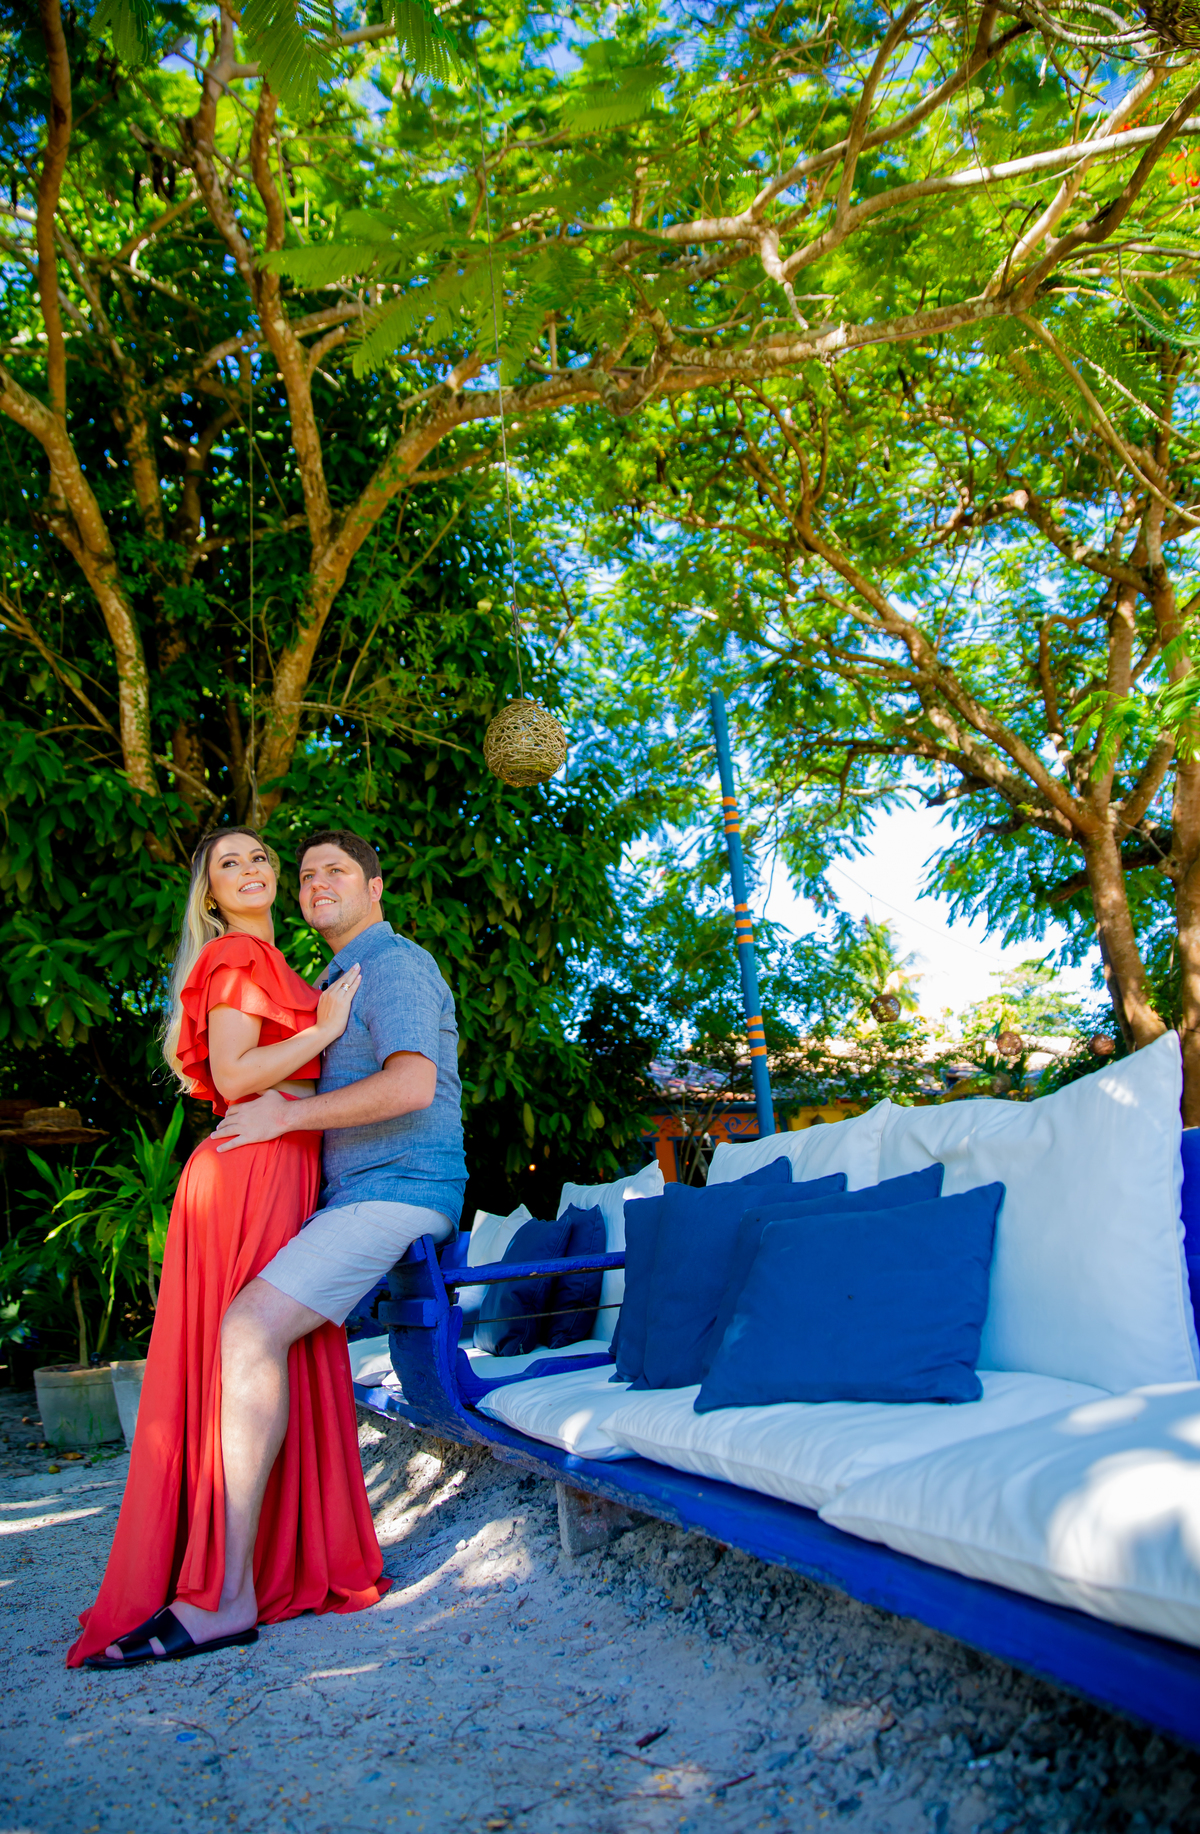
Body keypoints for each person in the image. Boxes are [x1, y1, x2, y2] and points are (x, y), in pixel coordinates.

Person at [70, 826, 389, 1669]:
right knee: (243, 1354)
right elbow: (239, 1074)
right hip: (248, 1176)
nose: (249, 870)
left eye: (258, 858)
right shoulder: (235, 956)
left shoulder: (279, 964)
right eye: (228, 864)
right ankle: (218, 1585)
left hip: (274, 1172)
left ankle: (238, 1573)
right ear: (209, 896)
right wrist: (324, 1029)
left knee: (260, 1357)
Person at [148, 828, 468, 1657]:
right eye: (308, 873)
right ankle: (258, 1569)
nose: (317, 881)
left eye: (338, 870)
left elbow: (412, 1085)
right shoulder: (326, 979)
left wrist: (287, 1115)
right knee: (266, 1341)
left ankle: (226, 1597)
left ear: (375, 886)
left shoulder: (392, 964)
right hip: (351, 1200)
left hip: (401, 1191)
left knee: (249, 1330)